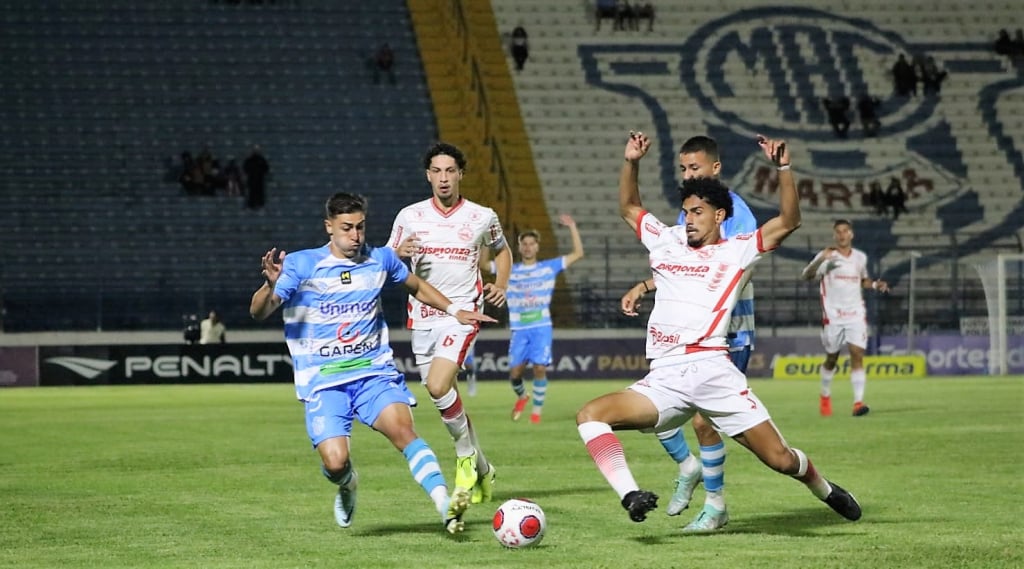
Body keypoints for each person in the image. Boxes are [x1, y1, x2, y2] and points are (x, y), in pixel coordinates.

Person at [576, 130, 863, 529]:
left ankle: (824, 489)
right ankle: (631, 495)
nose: (689, 218)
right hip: (666, 376)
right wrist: (631, 161)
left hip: (713, 371)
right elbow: (628, 206)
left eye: (698, 212)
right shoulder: (666, 240)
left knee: (779, 459)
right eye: (687, 211)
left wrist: (783, 168)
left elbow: (789, 221)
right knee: (590, 415)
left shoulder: (737, 250)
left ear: (719, 216)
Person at [249, 192, 496, 534]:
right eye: (347, 228)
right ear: (329, 227)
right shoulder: (302, 265)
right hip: (324, 381)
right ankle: (347, 483)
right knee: (335, 462)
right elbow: (261, 311)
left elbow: (417, 286)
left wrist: (455, 310)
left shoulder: (380, 260)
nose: (355, 235)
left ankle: (446, 508)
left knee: (404, 432)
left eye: (360, 227)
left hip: (373, 374)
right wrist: (268, 284)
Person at [621, 135, 757, 531]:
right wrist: (645, 286)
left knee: (702, 422)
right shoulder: (688, 215)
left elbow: (729, 268)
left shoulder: (734, 213)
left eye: (694, 168)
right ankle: (688, 465)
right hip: (683, 337)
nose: (687, 175)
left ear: (715, 168)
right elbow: (684, 266)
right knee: (655, 410)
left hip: (729, 331)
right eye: (683, 169)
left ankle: (715, 505)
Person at [387, 142, 512, 508]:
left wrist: (500, 285)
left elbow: (502, 250)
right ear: (428, 175)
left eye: (450, 171)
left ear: (461, 174)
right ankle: (483, 466)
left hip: (464, 314)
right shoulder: (409, 216)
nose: (443, 178)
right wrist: (398, 254)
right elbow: (385, 260)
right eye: (437, 171)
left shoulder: (482, 216)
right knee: (442, 395)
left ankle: (463, 459)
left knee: (441, 385)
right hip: (422, 317)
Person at [499, 214, 585, 424]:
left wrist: (573, 226)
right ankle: (522, 396)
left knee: (539, 367)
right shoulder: (509, 269)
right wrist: (487, 238)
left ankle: (536, 413)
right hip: (519, 328)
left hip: (541, 326)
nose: (528, 247)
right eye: (524, 244)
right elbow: (484, 264)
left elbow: (578, 253)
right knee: (515, 373)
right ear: (519, 248)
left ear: (537, 247)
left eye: (531, 243)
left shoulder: (549, 267)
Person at [801, 220, 890, 417]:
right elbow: (807, 275)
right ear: (834, 236)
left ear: (851, 234)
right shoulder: (827, 257)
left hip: (855, 314)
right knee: (832, 358)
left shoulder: (860, 257)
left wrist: (875, 285)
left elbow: (862, 279)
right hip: (833, 316)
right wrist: (819, 260)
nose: (841, 235)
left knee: (857, 354)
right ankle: (825, 395)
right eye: (838, 232)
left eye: (845, 231)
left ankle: (858, 403)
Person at [243, 144, 270, 210]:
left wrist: (261, 172)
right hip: (251, 179)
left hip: (259, 180)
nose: (256, 151)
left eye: (257, 150)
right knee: (252, 193)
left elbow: (266, 168)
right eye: (255, 150)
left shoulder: (262, 160)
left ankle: (260, 204)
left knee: (260, 193)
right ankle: (251, 205)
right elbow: (245, 168)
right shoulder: (249, 159)